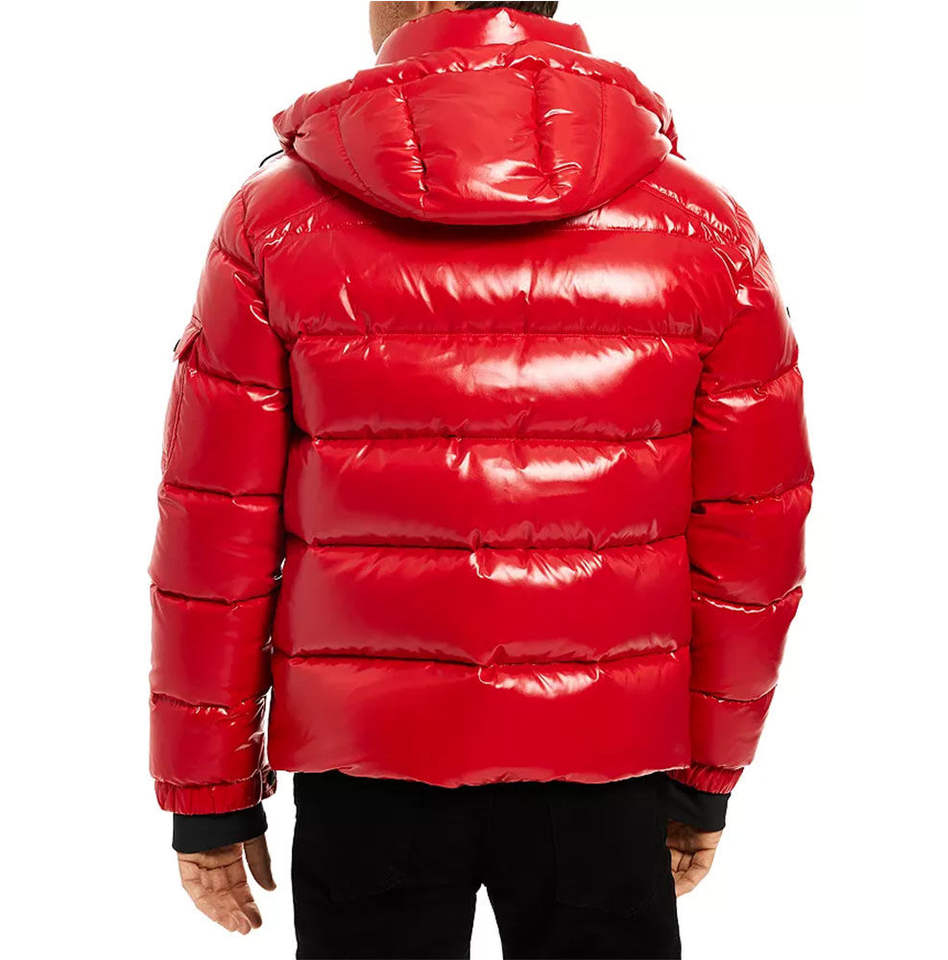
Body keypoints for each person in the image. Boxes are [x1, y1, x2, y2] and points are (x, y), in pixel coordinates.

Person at [149, 2, 812, 956]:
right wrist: (707, 774)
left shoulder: (277, 223)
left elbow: (215, 529)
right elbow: (753, 537)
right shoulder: (702, 228)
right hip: (608, 759)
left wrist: (209, 792)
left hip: (364, 758)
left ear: (418, 4)